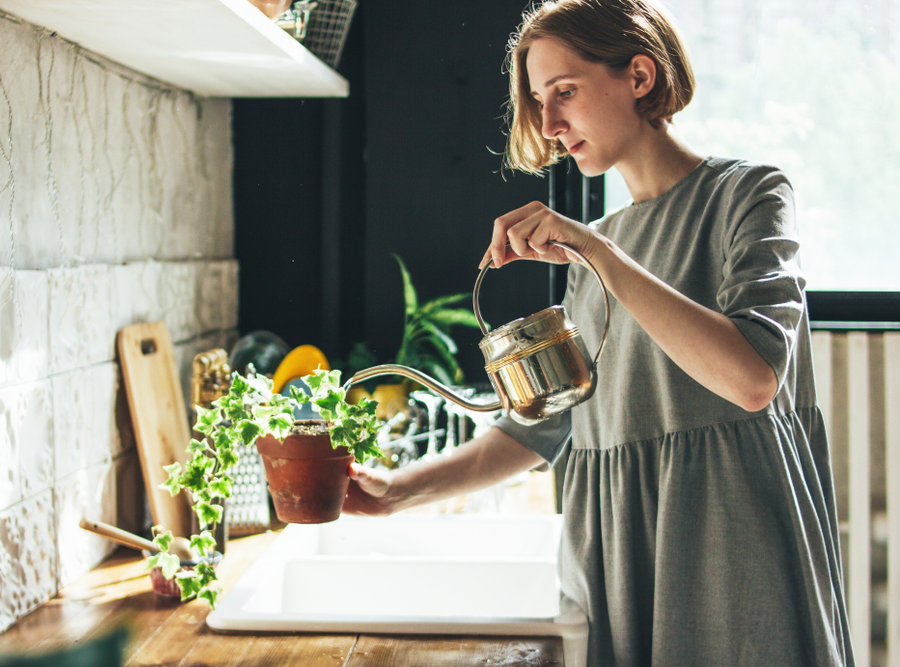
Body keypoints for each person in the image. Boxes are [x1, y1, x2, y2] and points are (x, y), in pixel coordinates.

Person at [343, 0, 854, 665]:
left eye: (565, 92)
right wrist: (397, 492)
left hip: (731, 546)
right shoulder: (596, 253)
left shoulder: (748, 195)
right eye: (537, 100)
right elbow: (546, 426)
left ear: (639, 77)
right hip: (618, 553)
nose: (550, 124)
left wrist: (598, 254)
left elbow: (754, 377)